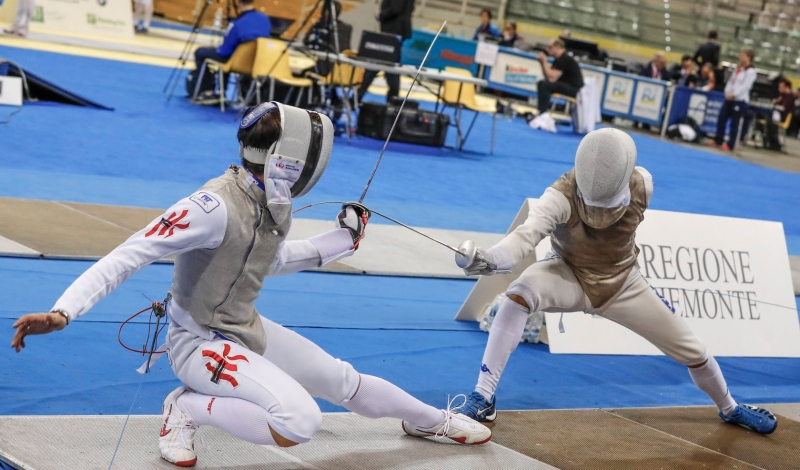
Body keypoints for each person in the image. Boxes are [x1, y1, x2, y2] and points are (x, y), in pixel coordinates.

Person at [10, 102, 492, 467]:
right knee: (300, 421)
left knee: (342, 380)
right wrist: (64, 311)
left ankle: (432, 422)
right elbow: (133, 251)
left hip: (244, 328)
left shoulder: (269, 196)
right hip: (197, 343)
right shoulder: (212, 206)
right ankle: (186, 407)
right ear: (287, 159)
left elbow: (264, 260)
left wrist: (339, 241)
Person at [451, 128, 778, 436]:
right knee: (519, 293)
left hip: (623, 283)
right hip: (569, 274)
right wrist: (491, 259)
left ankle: (730, 407)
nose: (599, 213)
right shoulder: (560, 195)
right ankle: (484, 397)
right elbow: (524, 238)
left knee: (694, 350)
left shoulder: (643, 184)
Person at [188, 0, 273, 102]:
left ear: (239, 3)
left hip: (235, 61)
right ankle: (221, 91)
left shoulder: (236, 24)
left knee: (201, 52)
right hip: (256, 63)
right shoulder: (265, 19)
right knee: (229, 55)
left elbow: (224, 52)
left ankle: (208, 91)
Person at [356, 0, 415, 103]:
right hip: (398, 30)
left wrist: (380, 15)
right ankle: (392, 101)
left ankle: (357, 97)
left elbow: (395, 8)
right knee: (391, 68)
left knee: (378, 65)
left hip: (392, 31)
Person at [711, 49, 756, 151]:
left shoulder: (751, 72)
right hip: (729, 98)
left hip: (739, 100)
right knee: (722, 118)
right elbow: (731, 81)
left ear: (748, 57)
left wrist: (734, 94)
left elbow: (746, 86)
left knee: (734, 123)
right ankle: (719, 139)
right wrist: (727, 92)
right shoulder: (738, 69)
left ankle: (731, 144)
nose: (740, 57)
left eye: (743, 55)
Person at [304, 0, 352, 77]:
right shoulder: (347, 28)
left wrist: (317, 25)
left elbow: (306, 41)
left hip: (323, 69)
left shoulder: (321, 26)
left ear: (326, 12)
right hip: (340, 72)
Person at [536, 38, 583, 116]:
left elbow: (551, 78)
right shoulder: (558, 60)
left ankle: (542, 113)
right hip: (566, 85)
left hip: (574, 89)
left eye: (550, 47)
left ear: (557, 47)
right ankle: (541, 111)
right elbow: (548, 77)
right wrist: (542, 63)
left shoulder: (565, 59)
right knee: (541, 83)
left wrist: (544, 62)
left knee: (545, 85)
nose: (547, 50)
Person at [762, 78, 794, 150]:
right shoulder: (782, 95)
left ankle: (773, 142)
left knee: (770, 119)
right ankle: (766, 138)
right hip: (776, 114)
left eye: (781, 87)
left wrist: (777, 102)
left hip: (782, 116)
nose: (779, 89)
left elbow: (783, 108)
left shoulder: (790, 97)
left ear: (787, 87)